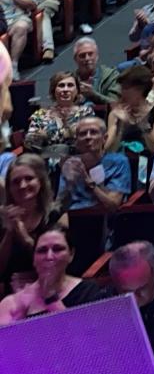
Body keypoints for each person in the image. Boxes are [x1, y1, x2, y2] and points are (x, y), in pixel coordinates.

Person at [0, 226, 109, 323]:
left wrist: (51, 297)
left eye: (57, 249)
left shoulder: (87, 291)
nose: (49, 257)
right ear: (34, 258)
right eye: (42, 250)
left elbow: (85, 338)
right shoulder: (13, 302)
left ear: (71, 254)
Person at [0, 154, 62, 296]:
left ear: (40, 182)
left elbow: (59, 264)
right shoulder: (2, 219)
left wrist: (25, 238)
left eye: (29, 179)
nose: (22, 185)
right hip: (12, 297)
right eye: (15, 182)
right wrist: (9, 232)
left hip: (48, 291)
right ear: (9, 188)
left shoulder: (56, 215)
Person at [58, 115, 131, 211]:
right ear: (77, 141)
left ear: (104, 138)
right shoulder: (71, 163)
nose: (88, 137)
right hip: (73, 216)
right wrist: (70, 183)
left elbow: (113, 205)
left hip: (102, 217)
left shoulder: (118, 162)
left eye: (93, 132)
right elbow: (61, 206)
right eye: (83, 134)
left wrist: (87, 180)